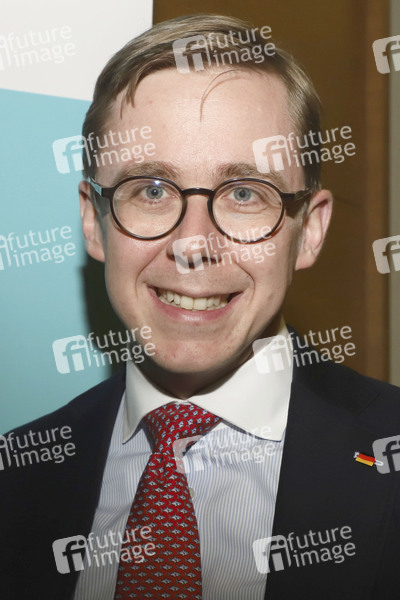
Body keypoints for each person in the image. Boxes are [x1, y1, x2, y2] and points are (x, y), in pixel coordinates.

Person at [1, 13, 400, 600]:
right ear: (93, 219)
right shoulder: (16, 478)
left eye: (244, 193)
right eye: (151, 189)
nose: (192, 244)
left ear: (309, 231)